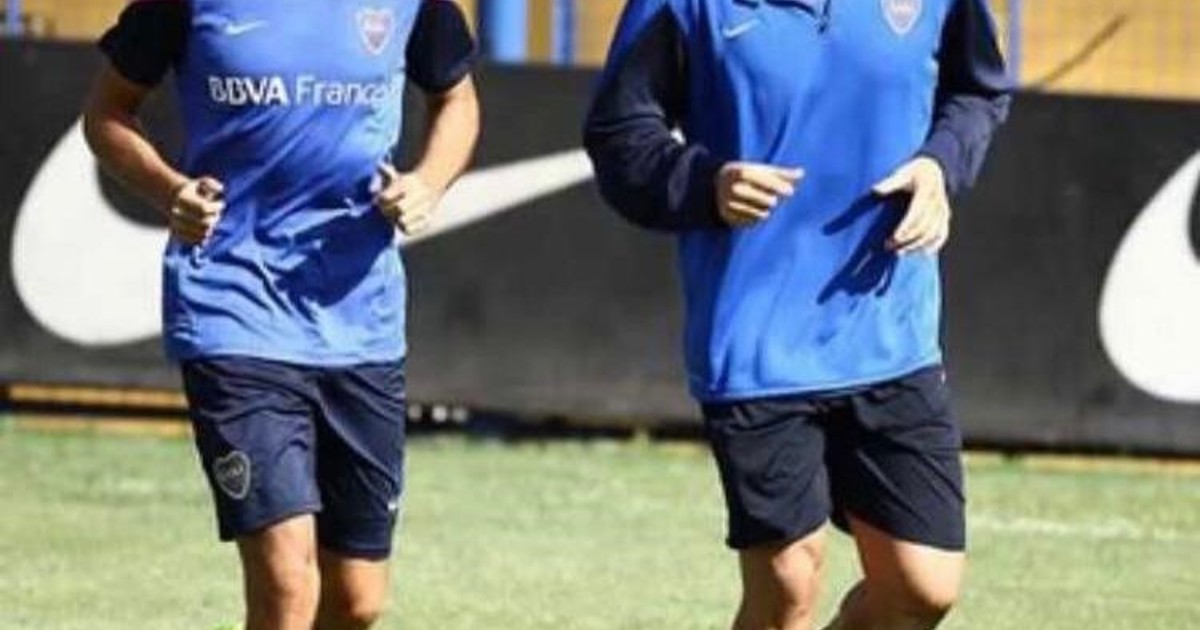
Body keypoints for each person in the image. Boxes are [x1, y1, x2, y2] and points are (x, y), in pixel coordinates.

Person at [585, 0, 1011, 628]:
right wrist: (705, 183)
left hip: (891, 328)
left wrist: (939, 165)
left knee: (923, 588)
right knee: (788, 587)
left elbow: (976, 91)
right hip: (756, 341)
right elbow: (620, 132)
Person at [83, 0, 479, 627]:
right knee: (287, 583)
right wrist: (171, 191)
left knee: (356, 600)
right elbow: (107, 112)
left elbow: (456, 98)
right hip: (232, 304)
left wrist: (428, 181)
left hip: (360, 317)